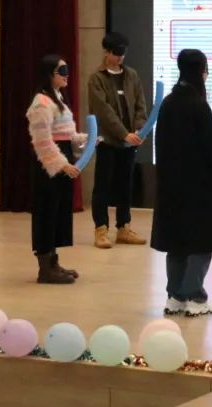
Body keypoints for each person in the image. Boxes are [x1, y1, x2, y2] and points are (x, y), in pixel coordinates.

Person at [151, 49, 212, 317]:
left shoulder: (168, 103)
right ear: (201, 71)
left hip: (170, 187)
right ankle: (195, 296)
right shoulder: (199, 105)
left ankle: (175, 296)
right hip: (197, 188)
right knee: (200, 244)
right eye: (206, 69)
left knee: (176, 243)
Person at [26, 54, 86, 285]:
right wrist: (62, 164)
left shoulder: (58, 97)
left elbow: (67, 135)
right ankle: (45, 269)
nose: (66, 75)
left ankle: (53, 262)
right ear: (49, 75)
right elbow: (43, 142)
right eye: (62, 71)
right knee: (47, 212)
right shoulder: (40, 103)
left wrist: (87, 140)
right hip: (48, 166)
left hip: (61, 160)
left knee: (58, 212)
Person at [86, 31, 148, 249]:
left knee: (125, 185)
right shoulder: (97, 79)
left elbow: (140, 104)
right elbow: (104, 112)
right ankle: (101, 229)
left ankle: (124, 227)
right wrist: (123, 133)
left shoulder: (132, 76)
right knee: (103, 186)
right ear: (107, 52)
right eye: (116, 53)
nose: (120, 57)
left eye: (123, 53)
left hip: (129, 142)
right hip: (108, 141)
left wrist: (139, 130)